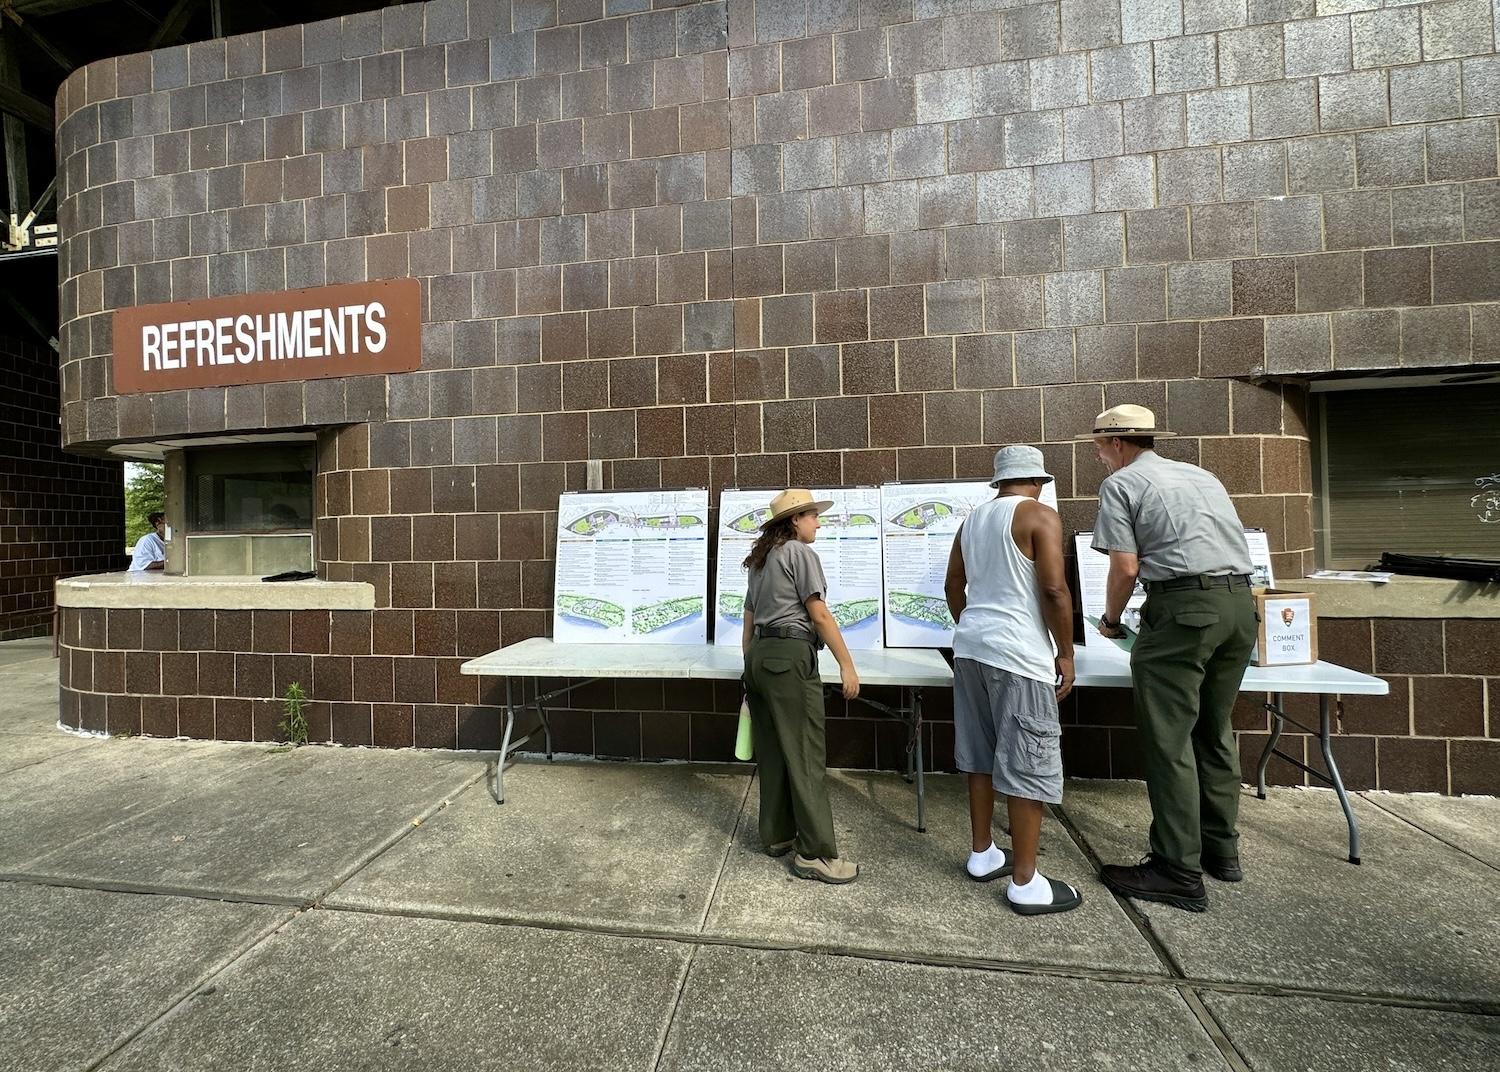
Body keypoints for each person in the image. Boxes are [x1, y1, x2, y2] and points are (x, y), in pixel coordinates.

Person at [1081, 405, 1256, 913]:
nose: (1097, 455)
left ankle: (1177, 867)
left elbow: (1126, 566)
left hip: (1183, 611)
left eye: (1098, 445)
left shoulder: (1122, 484)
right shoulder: (1201, 474)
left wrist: (1111, 620)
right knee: (1213, 729)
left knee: (1168, 736)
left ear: (1117, 443)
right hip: (1239, 606)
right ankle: (1221, 852)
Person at [943, 446, 1083, 916]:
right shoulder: (1040, 516)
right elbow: (1054, 590)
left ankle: (983, 853)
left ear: (1000, 481)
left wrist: (974, 625)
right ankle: (1025, 880)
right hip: (1019, 655)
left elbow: (952, 585)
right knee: (1029, 760)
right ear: (1038, 481)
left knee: (980, 757)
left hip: (971, 650)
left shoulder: (972, 522)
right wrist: (1064, 652)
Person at [741, 488, 862, 884]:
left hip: (760, 656)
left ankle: (776, 836)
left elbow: (749, 618)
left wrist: (750, 665)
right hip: (791, 657)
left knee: (775, 750)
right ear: (795, 520)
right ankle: (815, 854)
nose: (818, 522)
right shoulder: (800, 554)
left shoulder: (760, 561)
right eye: (812, 516)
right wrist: (847, 664)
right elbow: (820, 615)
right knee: (806, 754)